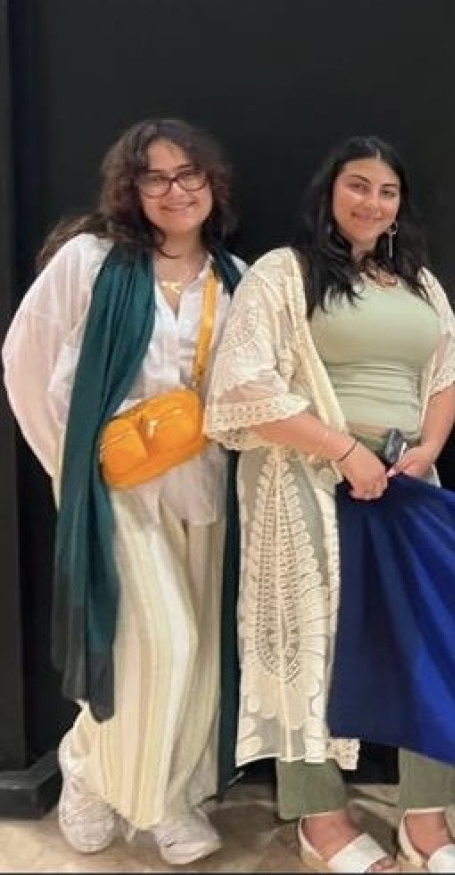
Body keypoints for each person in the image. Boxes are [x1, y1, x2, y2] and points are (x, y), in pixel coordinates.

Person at [203, 136, 455, 873]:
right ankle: (321, 820)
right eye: (358, 186)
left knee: (424, 648)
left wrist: (424, 451)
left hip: (409, 483)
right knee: (310, 645)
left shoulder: (420, 283)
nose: (372, 202)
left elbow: (445, 375)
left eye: (387, 191)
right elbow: (244, 390)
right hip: (308, 475)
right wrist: (344, 451)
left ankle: (426, 823)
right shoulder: (283, 275)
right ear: (331, 192)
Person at [2, 118, 243, 865]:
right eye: (157, 177)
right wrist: (69, 473)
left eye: (190, 174)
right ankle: (88, 771)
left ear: (213, 184)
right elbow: (24, 359)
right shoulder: (92, 261)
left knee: (199, 653)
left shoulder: (235, 277)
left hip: (204, 490)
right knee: (157, 647)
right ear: (130, 189)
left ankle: (168, 797)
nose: (177, 190)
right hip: (115, 495)